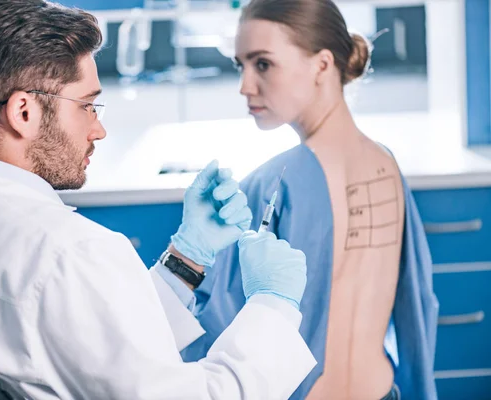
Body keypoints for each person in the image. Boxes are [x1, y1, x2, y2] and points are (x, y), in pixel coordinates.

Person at [0, 0, 316, 399]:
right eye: (87, 106)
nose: (99, 131)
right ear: (24, 112)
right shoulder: (72, 251)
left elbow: (91, 352)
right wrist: (273, 305)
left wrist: (187, 257)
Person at [179, 1, 439, 399]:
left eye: (262, 64)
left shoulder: (271, 185)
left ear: (322, 65)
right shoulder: (386, 165)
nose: (245, 85)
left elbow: (216, 335)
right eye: (240, 65)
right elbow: (419, 305)